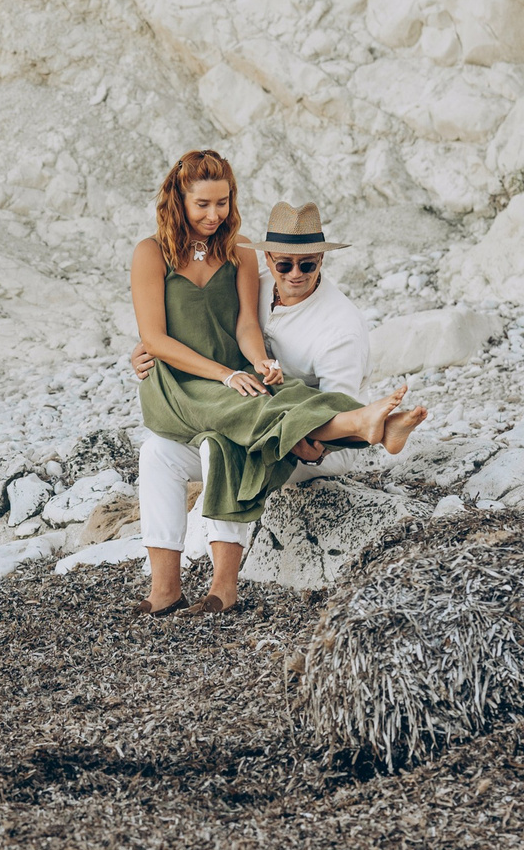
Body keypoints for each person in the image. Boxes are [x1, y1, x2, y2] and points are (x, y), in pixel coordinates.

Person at [128, 153, 425, 618]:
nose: (214, 215)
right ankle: (355, 424)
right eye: (202, 204)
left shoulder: (245, 253)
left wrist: (256, 360)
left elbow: (247, 324)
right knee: (238, 412)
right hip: (180, 388)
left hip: (244, 400)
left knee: (201, 448)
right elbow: (155, 337)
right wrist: (224, 372)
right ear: (177, 200)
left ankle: (191, 590)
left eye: (223, 203)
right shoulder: (152, 252)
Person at [133, 200, 372, 467]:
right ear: (268, 259)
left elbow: (338, 410)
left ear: (321, 260)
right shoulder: (256, 286)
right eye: (284, 265)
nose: (295, 274)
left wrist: (313, 448)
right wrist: (149, 349)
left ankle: (375, 425)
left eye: (307, 266)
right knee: (156, 452)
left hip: (322, 446)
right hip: (262, 413)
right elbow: (206, 327)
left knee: (225, 450)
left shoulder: (341, 330)